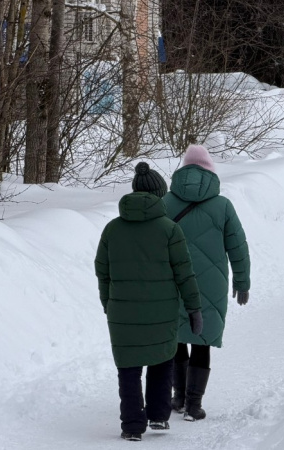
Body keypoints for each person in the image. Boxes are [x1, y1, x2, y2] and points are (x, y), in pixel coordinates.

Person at [95, 162, 204, 441]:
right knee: (161, 360)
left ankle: (131, 425)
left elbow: (102, 270)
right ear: (160, 194)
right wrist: (194, 307)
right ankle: (157, 416)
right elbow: (184, 272)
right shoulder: (169, 229)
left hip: (122, 312)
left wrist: (108, 302)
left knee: (128, 367)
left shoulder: (112, 229)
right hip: (162, 310)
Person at [163, 144, 251, 422]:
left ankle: (177, 397)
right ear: (211, 172)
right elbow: (238, 247)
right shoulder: (223, 205)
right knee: (202, 342)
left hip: (173, 281)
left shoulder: (165, 203)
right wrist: (242, 280)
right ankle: (193, 405)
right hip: (211, 285)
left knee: (176, 339)